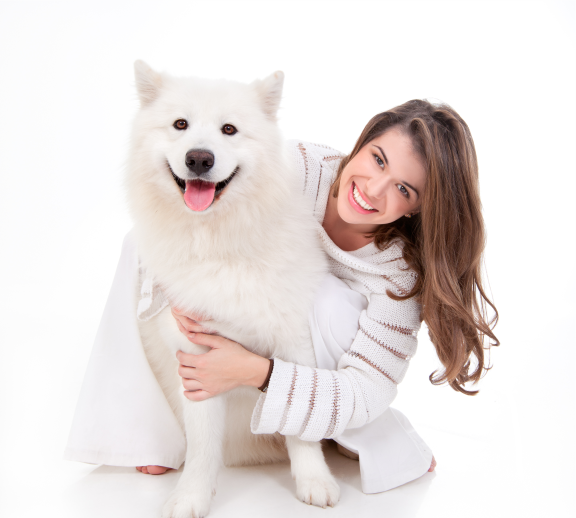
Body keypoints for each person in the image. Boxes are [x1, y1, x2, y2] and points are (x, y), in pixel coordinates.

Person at [66, 100, 498, 494]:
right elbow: (192, 224)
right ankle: (145, 431)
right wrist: (181, 290)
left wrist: (253, 370)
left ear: (418, 207)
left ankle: (339, 430)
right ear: (361, 143)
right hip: (249, 316)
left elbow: (368, 389)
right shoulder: (299, 168)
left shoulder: (399, 275)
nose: (374, 189)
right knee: (136, 244)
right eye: (377, 159)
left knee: (324, 301)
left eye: (403, 189)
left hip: (304, 351)